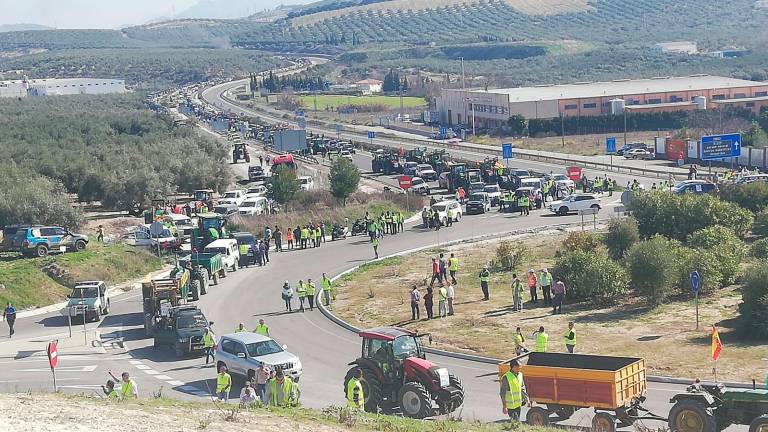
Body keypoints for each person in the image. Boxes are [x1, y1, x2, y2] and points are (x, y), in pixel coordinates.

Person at [499, 359, 527, 424]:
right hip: (510, 406)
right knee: (515, 422)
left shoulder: (520, 375)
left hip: (518, 405)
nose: (520, 369)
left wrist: (526, 399)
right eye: (518, 367)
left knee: (516, 421)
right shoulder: (506, 377)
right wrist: (504, 406)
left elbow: (522, 388)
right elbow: (502, 393)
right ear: (513, 367)